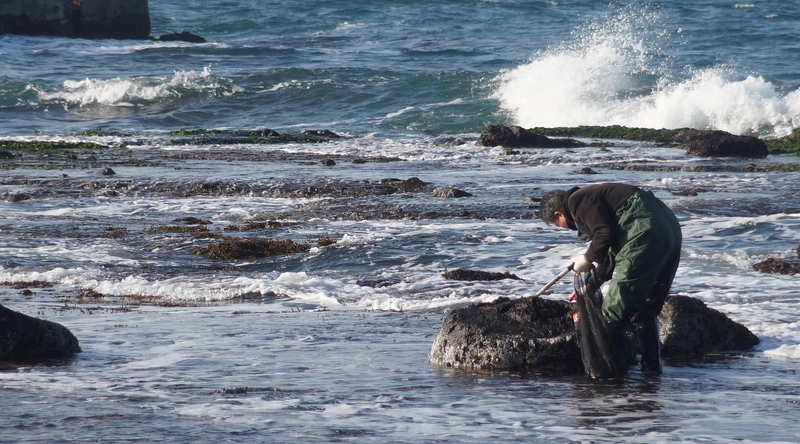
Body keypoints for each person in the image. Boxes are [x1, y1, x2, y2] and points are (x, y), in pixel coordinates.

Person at [539, 182, 682, 374]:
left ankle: (614, 376)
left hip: (645, 230)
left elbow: (604, 233)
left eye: (558, 225)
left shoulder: (577, 202)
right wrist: (590, 286)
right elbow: (609, 255)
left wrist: (586, 258)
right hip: (668, 228)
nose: (564, 228)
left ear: (559, 214)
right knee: (646, 307)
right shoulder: (598, 199)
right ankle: (651, 372)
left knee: (613, 312)